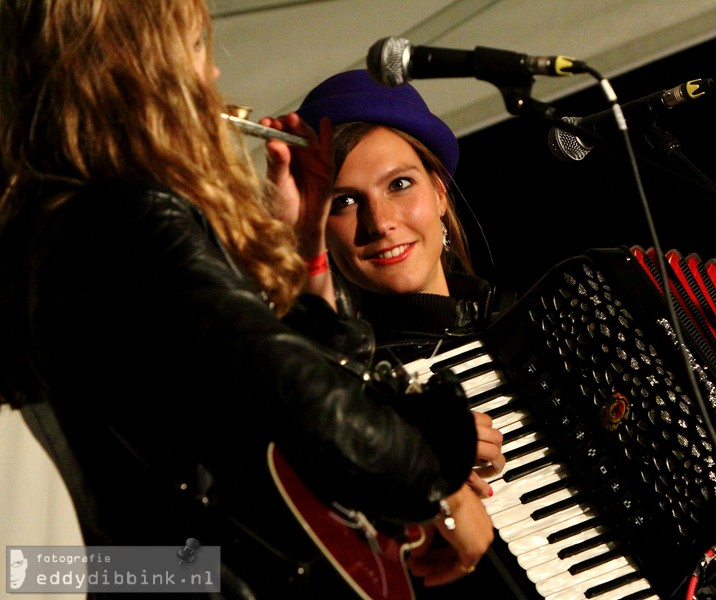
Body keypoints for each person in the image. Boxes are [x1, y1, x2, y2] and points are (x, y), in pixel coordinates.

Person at [0, 2, 492, 598]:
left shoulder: (51, 223)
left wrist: (307, 254)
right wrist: (440, 479)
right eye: (198, 49)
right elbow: (300, 399)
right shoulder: (128, 215)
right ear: (141, 66)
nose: (210, 78)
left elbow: (110, 552)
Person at [264, 70, 516, 596]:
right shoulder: (343, 383)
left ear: (440, 192)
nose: (379, 222)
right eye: (344, 201)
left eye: (399, 184)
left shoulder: (525, 320)